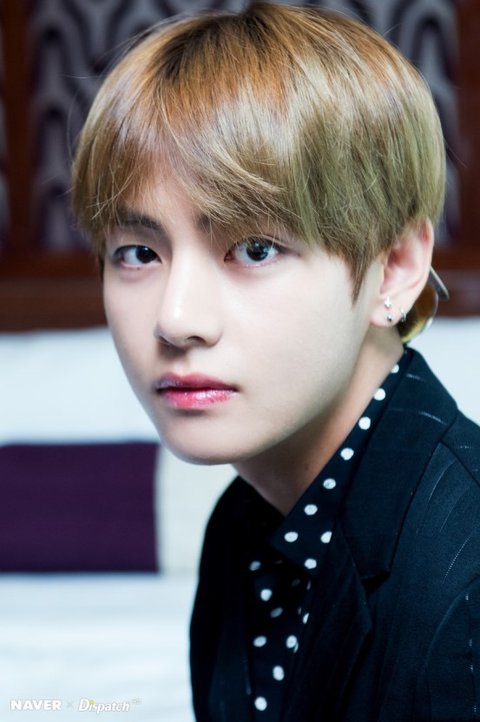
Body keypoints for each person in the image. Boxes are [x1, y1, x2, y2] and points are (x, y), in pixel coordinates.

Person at [71, 2, 480, 720]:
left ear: (394, 267)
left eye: (254, 249)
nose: (176, 319)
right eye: (138, 252)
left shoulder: (463, 570)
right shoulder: (244, 527)